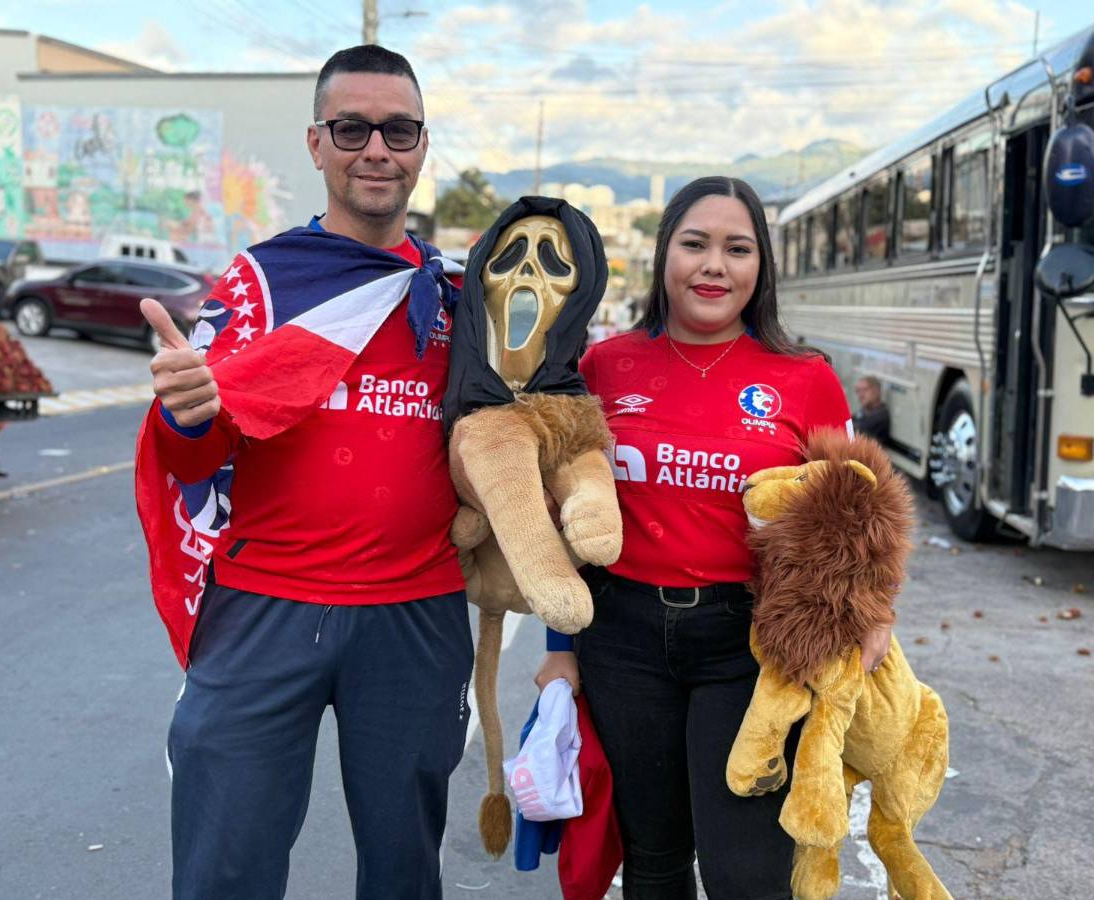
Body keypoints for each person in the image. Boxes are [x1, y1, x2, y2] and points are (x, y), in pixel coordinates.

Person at [137, 45, 473, 900]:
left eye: (397, 129)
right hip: (264, 612)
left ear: (423, 144)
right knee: (226, 870)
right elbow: (193, 459)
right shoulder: (256, 285)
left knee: (404, 875)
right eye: (351, 127)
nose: (376, 149)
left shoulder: (457, 299)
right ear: (316, 144)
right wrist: (183, 414)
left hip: (415, 619)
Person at [534, 176, 893, 900]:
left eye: (737, 248)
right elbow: (565, 518)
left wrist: (872, 610)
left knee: (746, 873)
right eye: (694, 244)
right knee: (654, 857)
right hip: (622, 636)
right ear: (665, 253)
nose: (713, 266)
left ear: (760, 268)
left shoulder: (806, 378)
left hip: (748, 643)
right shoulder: (604, 367)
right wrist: (558, 653)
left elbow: (858, 514)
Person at [853, 374, 891, 443]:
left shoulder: (880, 415)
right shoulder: (864, 411)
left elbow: (857, 431)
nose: (860, 395)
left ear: (876, 391)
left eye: (865, 390)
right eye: (858, 391)